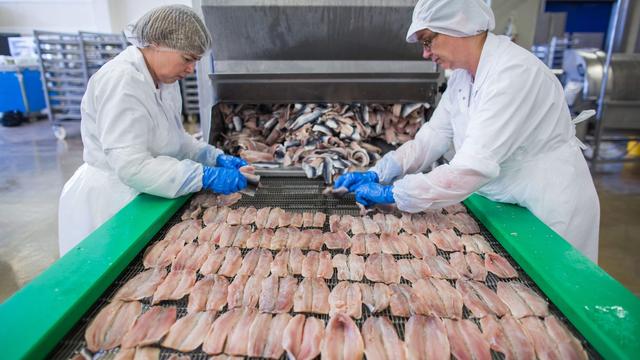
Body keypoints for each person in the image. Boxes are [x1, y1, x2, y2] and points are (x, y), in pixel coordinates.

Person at [335, 0, 600, 262]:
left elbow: (468, 169)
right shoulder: (463, 77)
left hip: (545, 204)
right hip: (502, 200)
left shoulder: (514, 73)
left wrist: (395, 193)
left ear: (456, 26)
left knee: (551, 291)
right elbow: (432, 137)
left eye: (428, 41)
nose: (425, 54)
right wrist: (381, 170)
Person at [58, 5, 247, 256]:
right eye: (188, 58)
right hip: (110, 199)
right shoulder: (121, 81)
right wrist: (203, 175)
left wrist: (213, 157)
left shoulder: (163, 81)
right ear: (156, 43)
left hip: (146, 189)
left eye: (196, 61)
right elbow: (131, 166)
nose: (191, 70)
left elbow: (175, 138)